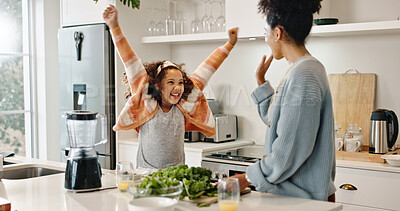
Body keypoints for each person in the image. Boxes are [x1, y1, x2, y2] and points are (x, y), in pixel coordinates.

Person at [103, 5, 238, 169]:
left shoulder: (183, 104)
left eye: (180, 82)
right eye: (171, 82)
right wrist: (114, 27)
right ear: (157, 86)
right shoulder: (148, 102)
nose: (178, 87)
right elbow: (130, 62)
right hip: (146, 176)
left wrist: (229, 45)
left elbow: (207, 69)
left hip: (176, 177)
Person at [231, 0, 336, 202]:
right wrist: (261, 81)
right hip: (296, 198)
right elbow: (278, 123)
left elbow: (287, 151)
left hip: (302, 200)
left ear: (277, 34)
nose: (266, 40)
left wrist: (244, 179)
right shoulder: (303, 69)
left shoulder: (305, 74)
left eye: (265, 33)